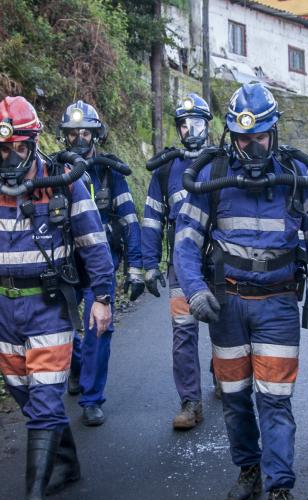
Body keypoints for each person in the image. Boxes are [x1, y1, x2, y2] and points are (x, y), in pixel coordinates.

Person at [174, 81, 308, 500]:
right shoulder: (213, 175)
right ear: (231, 135)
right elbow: (185, 242)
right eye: (243, 138)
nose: (251, 147)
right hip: (226, 304)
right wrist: (194, 290)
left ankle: (280, 491)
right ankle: (248, 469)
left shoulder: (297, 176)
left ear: (274, 133)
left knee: (275, 399)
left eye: (260, 137)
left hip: (279, 304)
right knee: (234, 396)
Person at [0, 96, 115, 500]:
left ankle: (35, 494)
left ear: (34, 143)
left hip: (48, 305)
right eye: (4, 149)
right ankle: (67, 462)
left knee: (47, 393)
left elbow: (94, 243)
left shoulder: (63, 183)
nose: (12, 156)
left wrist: (103, 298)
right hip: (0, 307)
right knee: (24, 392)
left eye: (20, 147)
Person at [60, 100, 143, 426]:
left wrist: (136, 267)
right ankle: (77, 367)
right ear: (64, 137)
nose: (79, 139)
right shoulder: (55, 170)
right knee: (60, 325)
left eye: (86, 133)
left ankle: (92, 398)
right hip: (66, 263)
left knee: (98, 326)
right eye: (73, 134)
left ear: (96, 135)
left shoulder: (111, 172)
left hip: (102, 261)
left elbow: (130, 220)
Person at [141, 93, 214, 430]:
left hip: (220, 262)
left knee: (225, 327)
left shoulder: (222, 162)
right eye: (184, 125)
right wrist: (148, 265)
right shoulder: (166, 169)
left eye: (196, 123)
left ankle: (225, 376)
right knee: (183, 332)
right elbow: (152, 219)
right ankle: (190, 402)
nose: (190, 130)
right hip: (180, 267)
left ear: (208, 125)